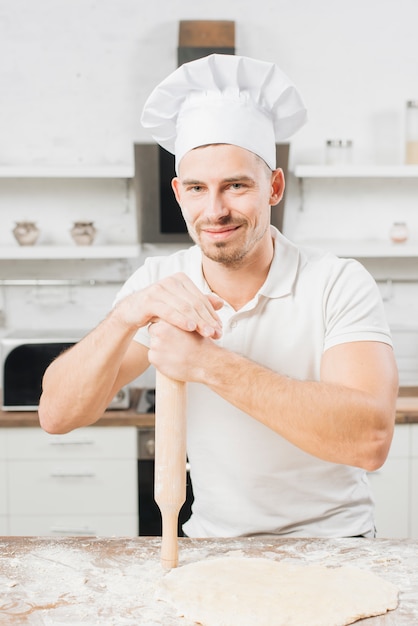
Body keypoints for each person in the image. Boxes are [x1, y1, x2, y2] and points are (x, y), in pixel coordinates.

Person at [39, 54, 398, 539]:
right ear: (178, 193)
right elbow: (57, 415)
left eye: (235, 185)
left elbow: (369, 439)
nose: (216, 210)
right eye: (196, 188)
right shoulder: (160, 281)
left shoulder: (336, 282)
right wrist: (127, 315)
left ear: (273, 187)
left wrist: (207, 363)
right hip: (211, 546)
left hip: (336, 545)